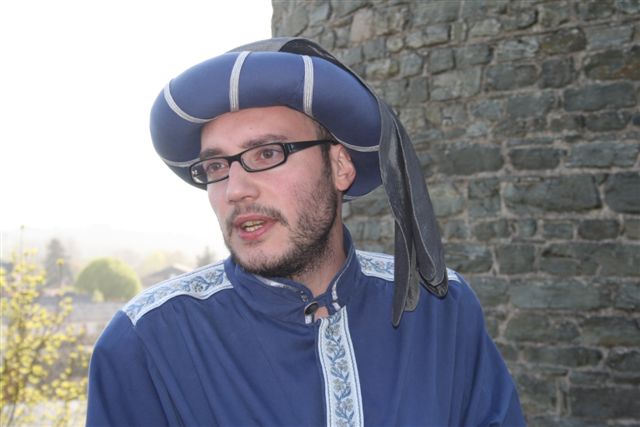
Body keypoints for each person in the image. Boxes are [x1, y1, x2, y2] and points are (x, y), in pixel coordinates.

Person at [86, 37, 525, 426]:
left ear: (340, 166)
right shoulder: (146, 341)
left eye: (267, 154)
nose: (235, 190)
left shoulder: (442, 311)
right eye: (216, 166)